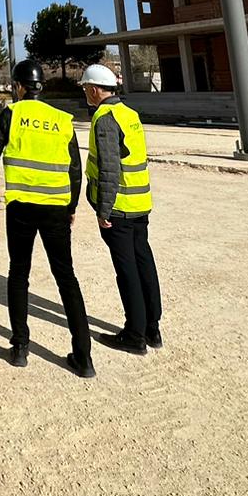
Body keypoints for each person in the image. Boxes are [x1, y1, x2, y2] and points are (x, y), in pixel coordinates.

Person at [0, 59, 94, 378]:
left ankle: (20, 347)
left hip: (21, 207)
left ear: (18, 86)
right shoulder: (61, 120)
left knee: (19, 273)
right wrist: (71, 207)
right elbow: (75, 169)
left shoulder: (11, 115)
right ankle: (83, 358)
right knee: (66, 277)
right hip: (57, 209)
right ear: (40, 85)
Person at [79, 62, 162, 355]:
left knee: (126, 271)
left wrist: (103, 209)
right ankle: (153, 328)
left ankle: (134, 334)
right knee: (144, 265)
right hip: (140, 204)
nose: (86, 92)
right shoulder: (129, 114)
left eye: (87, 88)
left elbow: (110, 168)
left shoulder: (104, 117)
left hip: (119, 209)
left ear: (95, 89)